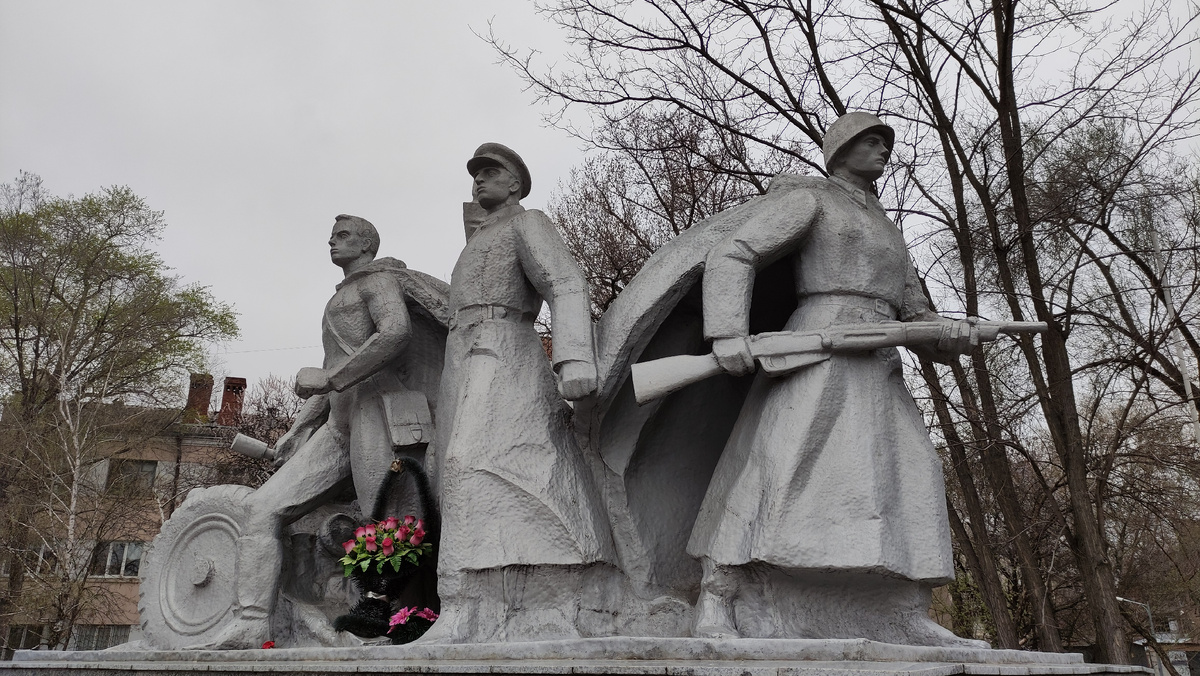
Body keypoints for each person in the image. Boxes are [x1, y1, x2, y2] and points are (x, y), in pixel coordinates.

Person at [685, 112, 983, 645]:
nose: (883, 150)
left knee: (910, 473)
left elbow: (917, 313)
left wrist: (949, 338)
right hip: (817, 344)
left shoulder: (889, 230)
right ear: (842, 148)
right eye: (872, 141)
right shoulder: (812, 199)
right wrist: (727, 332)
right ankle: (718, 599)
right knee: (781, 463)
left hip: (881, 359)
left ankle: (902, 610)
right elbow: (735, 252)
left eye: (884, 143)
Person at [196, 214, 443, 649]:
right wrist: (300, 425)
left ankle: (401, 621)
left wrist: (330, 381)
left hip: (375, 416)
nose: (332, 240)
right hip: (336, 426)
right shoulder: (342, 295)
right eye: (333, 234)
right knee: (262, 509)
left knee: (388, 522)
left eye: (343, 235)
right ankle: (252, 622)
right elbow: (332, 371)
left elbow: (396, 334)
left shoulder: (377, 281)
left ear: (367, 244)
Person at [424, 143, 614, 642]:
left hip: (503, 345)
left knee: (472, 463)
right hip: (460, 351)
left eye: (491, 173)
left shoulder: (528, 223)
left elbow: (566, 282)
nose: (479, 181)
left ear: (515, 183)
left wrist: (573, 357)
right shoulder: (476, 238)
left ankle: (461, 603)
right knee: (453, 467)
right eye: (476, 175)